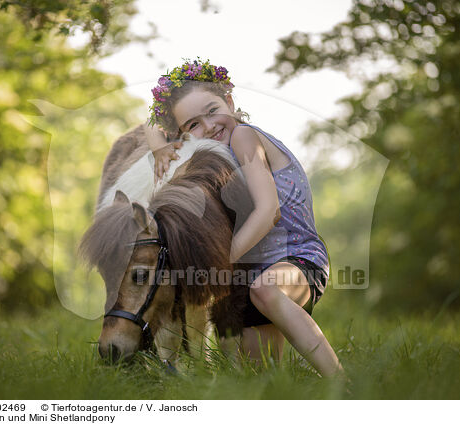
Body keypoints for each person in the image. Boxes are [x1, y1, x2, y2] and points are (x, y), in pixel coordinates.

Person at [144, 58, 343, 377]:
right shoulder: (215, 155)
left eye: (212, 110)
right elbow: (151, 127)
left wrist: (218, 262)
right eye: (193, 124)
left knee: (266, 290)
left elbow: (269, 211)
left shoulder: (244, 137)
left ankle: (342, 387)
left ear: (231, 101)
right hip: (251, 282)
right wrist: (158, 148)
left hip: (296, 260)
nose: (208, 126)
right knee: (259, 382)